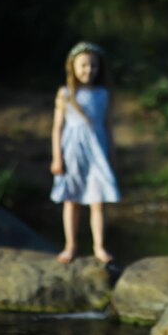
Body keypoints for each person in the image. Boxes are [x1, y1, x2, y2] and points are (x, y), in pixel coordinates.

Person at [50, 41, 120, 264]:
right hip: (72, 151)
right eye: (83, 65)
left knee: (98, 201)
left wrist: (112, 153)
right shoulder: (65, 93)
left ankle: (99, 246)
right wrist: (56, 157)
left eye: (93, 66)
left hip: (97, 152)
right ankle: (70, 245)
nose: (88, 70)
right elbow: (57, 128)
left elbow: (108, 126)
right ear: (73, 66)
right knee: (72, 200)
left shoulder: (103, 94)